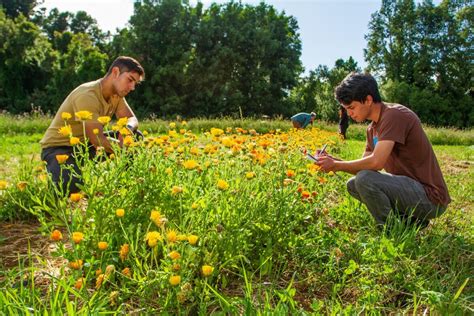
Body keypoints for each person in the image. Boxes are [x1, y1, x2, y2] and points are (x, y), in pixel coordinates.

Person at [315, 73, 450, 228]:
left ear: (368, 100)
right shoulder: (371, 129)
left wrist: (336, 165)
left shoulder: (394, 115)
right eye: (346, 109)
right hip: (410, 192)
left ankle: (390, 230)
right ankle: (412, 221)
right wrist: (334, 161)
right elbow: (362, 169)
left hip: (431, 198)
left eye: (351, 107)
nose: (349, 113)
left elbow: (376, 163)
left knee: (365, 179)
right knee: (354, 184)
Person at [40, 56, 145, 194]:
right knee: (70, 185)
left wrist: (127, 130)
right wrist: (123, 147)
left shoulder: (116, 95)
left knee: (135, 137)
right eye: (130, 80)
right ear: (115, 72)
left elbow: (131, 118)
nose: (132, 87)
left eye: (135, 84)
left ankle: (126, 187)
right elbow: (98, 141)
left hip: (85, 145)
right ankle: (56, 179)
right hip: (59, 149)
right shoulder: (88, 94)